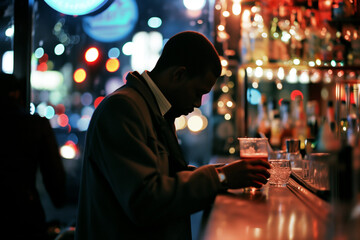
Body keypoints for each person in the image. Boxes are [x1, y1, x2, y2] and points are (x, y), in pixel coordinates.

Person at [75, 31, 270, 240]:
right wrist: (222, 177)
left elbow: (165, 176)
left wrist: (224, 172)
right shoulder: (122, 108)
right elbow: (145, 200)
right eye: (198, 92)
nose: (197, 104)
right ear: (178, 75)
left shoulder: (153, 108)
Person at [0, 73, 66, 240]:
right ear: (16, 94)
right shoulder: (35, 125)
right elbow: (54, 175)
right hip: (25, 214)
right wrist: (59, 198)